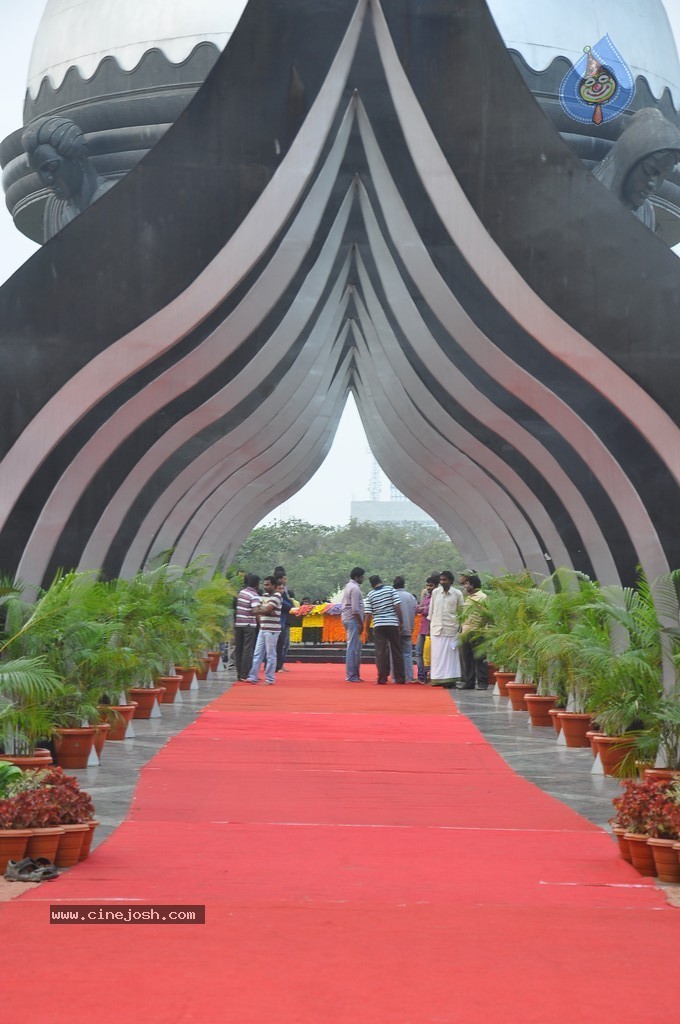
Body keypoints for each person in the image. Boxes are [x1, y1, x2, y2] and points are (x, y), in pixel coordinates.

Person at [22, 115, 116, 241]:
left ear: (80, 160)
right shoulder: (61, 214)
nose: (47, 180)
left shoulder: (113, 196)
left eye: (52, 166)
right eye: (40, 173)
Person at [592, 107, 680, 234]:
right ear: (629, 159)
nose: (653, 185)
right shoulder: (583, 193)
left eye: (663, 177)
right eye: (650, 170)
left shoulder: (647, 213)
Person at [364, 575, 405, 685]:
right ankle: (400, 678)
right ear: (381, 581)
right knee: (396, 650)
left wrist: (366, 630)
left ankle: (382, 678)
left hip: (378, 625)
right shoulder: (390, 589)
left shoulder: (370, 595)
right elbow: (397, 606)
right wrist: (400, 622)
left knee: (380, 652)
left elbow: (368, 614)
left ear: (372, 584)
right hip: (392, 623)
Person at [428, 570, 464, 687]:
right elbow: (431, 610)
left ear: (451, 581)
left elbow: (461, 612)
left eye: (445, 580)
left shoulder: (457, 594)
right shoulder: (435, 592)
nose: (442, 582)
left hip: (451, 628)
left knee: (450, 656)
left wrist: (460, 626)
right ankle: (438, 678)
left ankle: (450, 679)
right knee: (437, 655)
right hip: (437, 628)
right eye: (441, 580)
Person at [246, 576, 283, 685]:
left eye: (268, 585)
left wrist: (263, 610)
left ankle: (269, 678)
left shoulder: (277, 596)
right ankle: (253, 676)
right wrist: (264, 610)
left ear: (274, 586)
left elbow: (265, 609)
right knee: (257, 653)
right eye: (265, 584)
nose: (265, 587)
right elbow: (255, 609)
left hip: (272, 630)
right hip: (263, 628)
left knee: (270, 655)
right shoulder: (264, 596)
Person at [458, 574, 489, 690]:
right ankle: (469, 682)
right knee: (467, 658)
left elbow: (486, 614)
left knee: (480, 658)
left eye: (467, 583)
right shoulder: (469, 598)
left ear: (473, 585)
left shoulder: (482, 597)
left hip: (477, 631)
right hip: (465, 631)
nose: (465, 586)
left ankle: (482, 682)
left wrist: (480, 627)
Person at [233, 574, 261, 681]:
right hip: (249, 625)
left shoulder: (241, 593)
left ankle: (239, 673)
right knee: (248, 649)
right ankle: (245, 674)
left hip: (239, 623)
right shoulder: (254, 595)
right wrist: (261, 624)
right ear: (257, 584)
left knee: (239, 648)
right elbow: (255, 610)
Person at [341, 566, 366, 682]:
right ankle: (352, 675)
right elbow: (355, 609)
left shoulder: (348, 586)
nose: (363, 579)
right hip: (353, 619)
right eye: (362, 577)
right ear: (357, 577)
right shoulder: (355, 588)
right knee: (352, 648)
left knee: (354, 647)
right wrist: (361, 623)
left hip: (348, 618)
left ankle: (354, 674)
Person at [392, 576, 418, 682]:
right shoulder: (410, 597)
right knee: (407, 653)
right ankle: (409, 677)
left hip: (394, 628)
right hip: (408, 628)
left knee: (394, 653)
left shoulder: (392, 595)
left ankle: (395, 677)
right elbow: (416, 610)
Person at [415, 575, 439, 683]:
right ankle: (421, 676)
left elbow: (427, 611)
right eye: (427, 585)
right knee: (418, 652)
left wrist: (422, 609)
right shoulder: (427, 597)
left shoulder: (438, 597)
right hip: (423, 628)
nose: (428, 587)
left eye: (431, 585)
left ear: (436, 586)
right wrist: (422, 609)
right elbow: (418, 609)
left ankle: (431, 675)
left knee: (431, 654)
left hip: (432, 629)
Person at [274, 567, 293, 672]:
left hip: (284, 620)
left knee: (283, 644)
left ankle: (279, 665)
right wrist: (290, 605)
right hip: (280, 620)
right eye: (285, 578)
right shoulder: (277, 593)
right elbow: (285, 603)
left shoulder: (284, 590)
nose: (286, 580)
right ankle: (277, 666)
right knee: (279, 644)